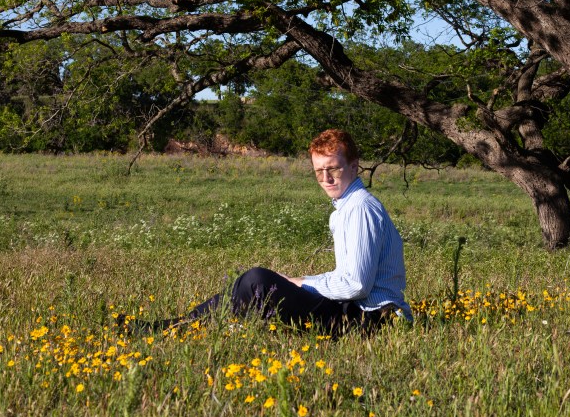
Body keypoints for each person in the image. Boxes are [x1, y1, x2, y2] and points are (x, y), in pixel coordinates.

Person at [124, 129, 412, 337]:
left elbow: (356, 285)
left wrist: (301, 283)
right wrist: (300, 282)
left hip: (370, 320)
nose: (325, 178)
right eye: (318, 171)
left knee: (258, 280)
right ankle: (181, 324)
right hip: (357, 312)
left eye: (333, 168)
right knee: (255, 283)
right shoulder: (348, 206)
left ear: (353, 166)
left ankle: (175, 327)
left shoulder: (360, 208)